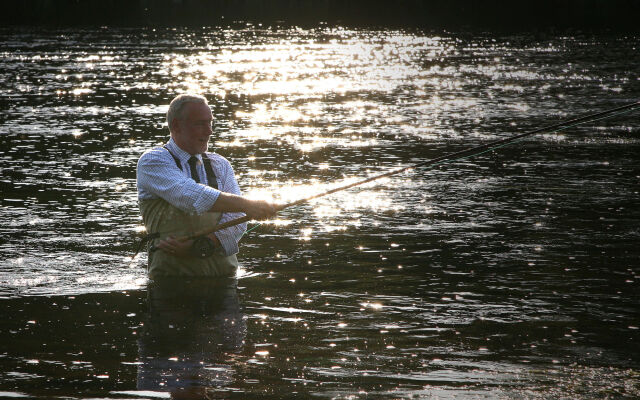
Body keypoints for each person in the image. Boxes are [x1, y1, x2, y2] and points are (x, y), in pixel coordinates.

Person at [137, 93, 277, 278]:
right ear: (177, 125)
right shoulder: (152, 161)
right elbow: (189, 196)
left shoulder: (221, 164)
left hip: (224, 279)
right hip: (170, 281)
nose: (209, 131)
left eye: (210, 123)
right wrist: (249, 204)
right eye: (200, 124)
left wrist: (202, 246)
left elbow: (236, 218)